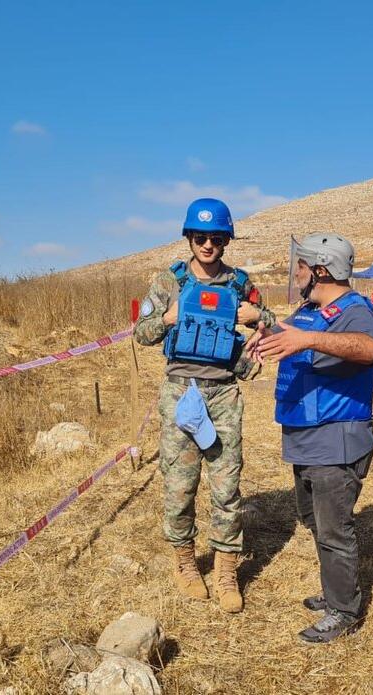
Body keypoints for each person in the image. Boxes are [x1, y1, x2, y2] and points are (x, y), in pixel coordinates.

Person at [134, 197, 274, 614]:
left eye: (215, 237)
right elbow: (142, 333)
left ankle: (227, 569)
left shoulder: (239, 283)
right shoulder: (168, 282)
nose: (208, 244)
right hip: (180, 391)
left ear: (226, 239)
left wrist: (258, 315)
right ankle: (185, 563)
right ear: (189, 237)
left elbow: (268, 322)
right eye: (200, 237)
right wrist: (169, 319)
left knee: (226, 487)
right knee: (180, 485)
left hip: (224, 394)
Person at [246, 233, 373, 644]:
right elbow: (294, 333)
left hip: (335, 438)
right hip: (305, 437)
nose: (296, 274)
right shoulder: (311, 308)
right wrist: (268, 332)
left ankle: (344, 610)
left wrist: (306, 339)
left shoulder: (355, 311)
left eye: (301, 267)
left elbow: (368, 348)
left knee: (333, 530)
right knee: (314, 520)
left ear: (320, 269)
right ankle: (336, 591)